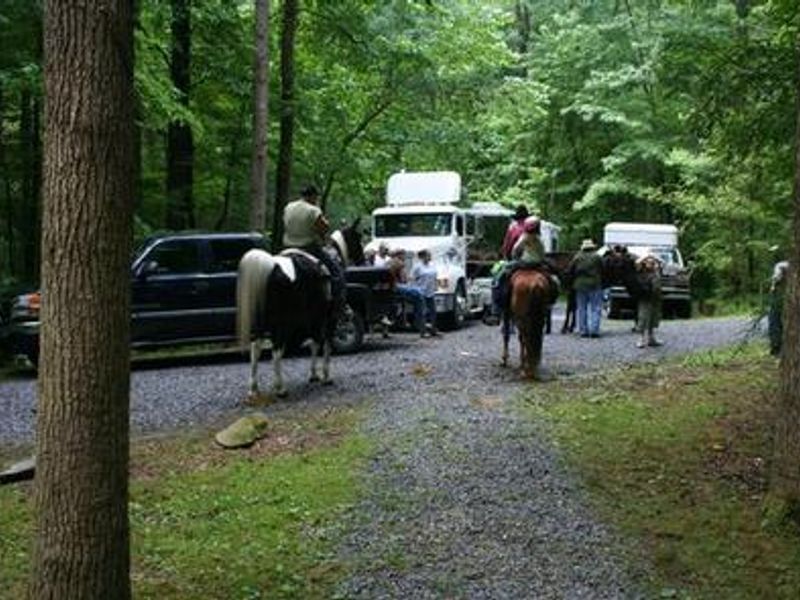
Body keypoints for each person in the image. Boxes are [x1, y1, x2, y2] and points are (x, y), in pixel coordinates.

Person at [282, 185, 348, 319]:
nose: (316, 200)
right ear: (313, 196)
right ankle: (339, 308)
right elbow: (323, 228)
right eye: (316, 197)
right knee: (336, 272)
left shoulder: (289, 206)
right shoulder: (313, 210)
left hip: (287, 247)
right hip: (308, 247)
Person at [569, 238, 604, 338]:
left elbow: (571, 270)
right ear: (592, 247)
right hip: (595, 285)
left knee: (581, 308)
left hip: (580, 285)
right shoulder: (597, 257)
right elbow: (603, 268)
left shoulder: (577, 257)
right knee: (596, 308)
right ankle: (594, 330)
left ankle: (583, 330)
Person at [387, 248, 426, 336]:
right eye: (403, 255)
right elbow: (403, 279)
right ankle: (420, 325)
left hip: (390, 287)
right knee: (419, 295)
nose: (404, 257)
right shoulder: (399, 263)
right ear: (400, 255)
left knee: (416, 291)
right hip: (396, 287)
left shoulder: (388, 262)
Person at [635, 254, 663, 348]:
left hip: (655, 298)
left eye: (652, 262)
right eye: (648, 262)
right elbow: (637, 262)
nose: (650, 264)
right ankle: (641, 339)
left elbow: (662, 262)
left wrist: (654, 257)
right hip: (645, 298)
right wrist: (647, 256)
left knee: (653, 318)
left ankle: (651, 338)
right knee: (643, 318)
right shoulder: (641, 271)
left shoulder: (656, 271)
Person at [411, 249, 440, 337]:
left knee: (433, 311)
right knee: (422, 312)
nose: (430, 257)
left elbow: (435, 276)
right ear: (422, 257)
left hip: (431, 291)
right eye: (428, 255)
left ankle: (433, 329)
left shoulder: (432, 265)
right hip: (421, 291)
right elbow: (412, 278)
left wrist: (436, 286)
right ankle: (422, 331)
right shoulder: (417, 267)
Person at [769, 260, 789, 356]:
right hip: (779, 297)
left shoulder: (781, 265)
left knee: (775, 321)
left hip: (782, 297)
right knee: (775, 321)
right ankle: (776, 347)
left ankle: (777, 347)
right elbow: (776, 280)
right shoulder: (781, 265)